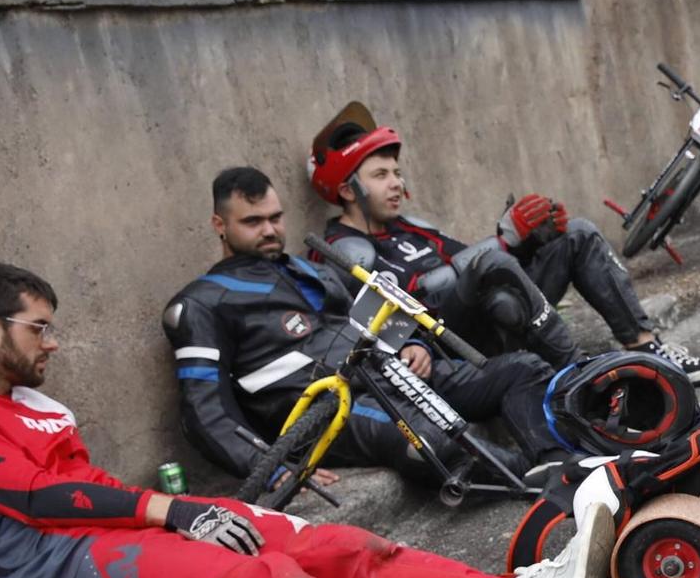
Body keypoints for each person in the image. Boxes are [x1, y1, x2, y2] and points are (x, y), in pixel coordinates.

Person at [0, 264, 619, 578]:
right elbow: (38, 498)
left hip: (101, 533)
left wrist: (180, 512)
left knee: (337, 545)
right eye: (39, 329)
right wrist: (172, 511)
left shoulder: (31, 406)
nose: (52, 343)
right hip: (49, 572)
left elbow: (81, 486)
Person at [164, 167, 566, 485]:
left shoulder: (308, 267)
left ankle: (559, 462)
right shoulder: (201, 302)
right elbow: (205, 412)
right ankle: (542, 480)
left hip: (392, 372)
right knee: (430, 442)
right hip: (333, 410)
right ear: (220, 224)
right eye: (253, 222)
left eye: (275, 218)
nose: (269, 230)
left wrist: (415, 345)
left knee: (522, 369)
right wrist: (270, 466)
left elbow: (372, 317)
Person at [311, 115, 700, 385]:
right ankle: (581, 374)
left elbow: (477, 269)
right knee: (497, 269)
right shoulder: (341, 251)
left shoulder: (414, 228)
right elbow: (411, 305)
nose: (396, 183)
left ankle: (646, 347)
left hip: (493, 318)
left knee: (575, 232)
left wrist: (530, 240)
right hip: (448, 347)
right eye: (380, 175)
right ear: (348, 190)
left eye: (397, 173)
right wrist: (505, 240)